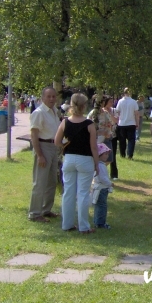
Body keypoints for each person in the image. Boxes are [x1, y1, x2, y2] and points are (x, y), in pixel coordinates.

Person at [54, 93, 99, 234]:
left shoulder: (65, 122)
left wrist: (65, 146)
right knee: (83, 193)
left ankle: (67, 224)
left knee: (68, 192)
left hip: (69, 159)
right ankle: (84, 226)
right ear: (84, 106)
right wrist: (97, 164)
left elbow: (56, 141)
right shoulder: (89, 124)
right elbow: (93, 147)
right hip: (85, 159)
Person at [28, 87, 61, 223]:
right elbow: (34, 135)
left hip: (54, 147)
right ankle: (34, 213)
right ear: (43, 98)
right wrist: (40, 154)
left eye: (54, 96)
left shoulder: (54, 111)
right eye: (49, 96)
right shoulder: (39, 113)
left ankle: (46, 209)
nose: (52, 99)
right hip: (43, 146)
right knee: (40, 181)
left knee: (52, 181)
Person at [88, 95, 118, 180]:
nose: (102, 104)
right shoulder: (93, 113)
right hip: (96, 139)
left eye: (103, 102)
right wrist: (99, 132)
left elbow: (111, 123)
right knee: (98, 158)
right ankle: (97, 175)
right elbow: (89, 126)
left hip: (106, 138)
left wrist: (109, 132)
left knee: (109, 158)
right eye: (101, 102)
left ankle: (98, 172)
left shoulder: (105, 112)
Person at [91, 143, 113, 229]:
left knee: (98, 205)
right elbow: (102, 178)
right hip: (101, 189)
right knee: (102, 206)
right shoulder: (100, 166)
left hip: (99, 188)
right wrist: (110, 183)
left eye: (108, 154)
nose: (107, 156)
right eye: (105, 154)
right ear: (99, 154)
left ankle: (97, 221)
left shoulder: (99, 165)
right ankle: (100, 223)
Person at [115, 87, 139, 160]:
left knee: (122, 140)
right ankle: (130, 155)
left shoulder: (120, 101)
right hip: (131, 123)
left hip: (122, 123)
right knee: (131, 140)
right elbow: (136, 113)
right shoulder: (133, 102)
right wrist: (137, 123)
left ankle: (122, 154)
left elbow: (118, 112)